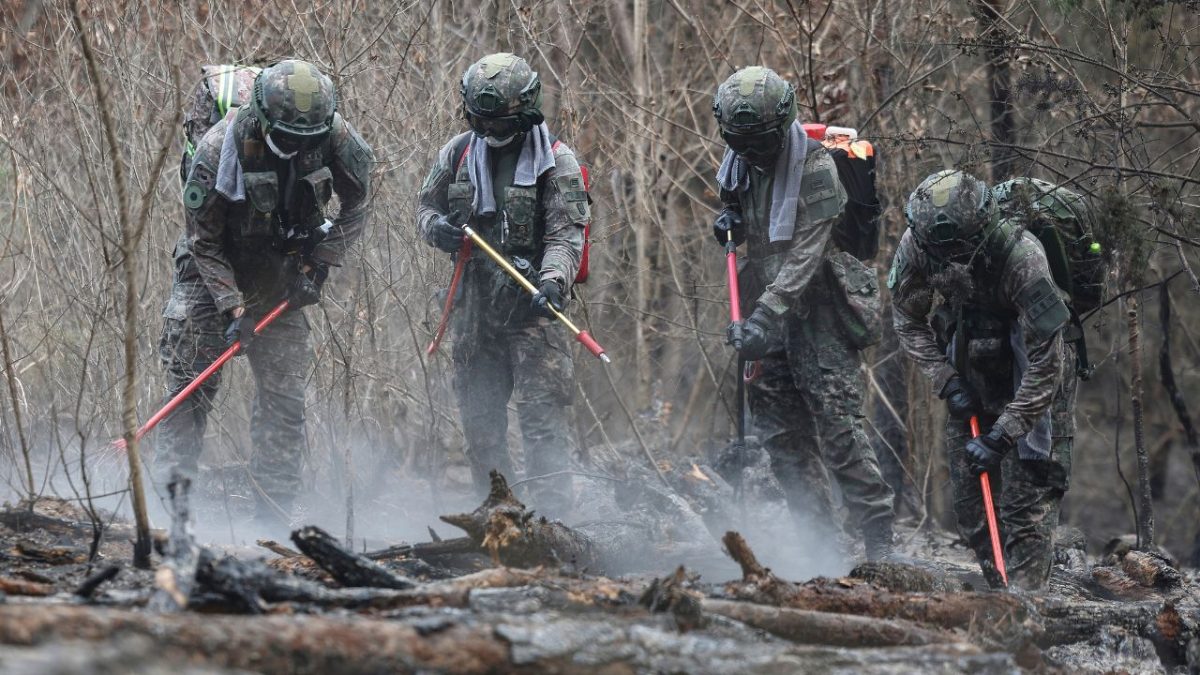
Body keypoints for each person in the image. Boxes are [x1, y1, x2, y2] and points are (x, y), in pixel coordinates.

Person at [157, 59, 373, 528]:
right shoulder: (217, 151)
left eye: (305, 140)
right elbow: (202, 241)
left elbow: (360, 198)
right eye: (287, 138)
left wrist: (321, 263)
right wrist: (232, 308)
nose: (296, 147)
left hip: (284, 272)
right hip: (210, 272)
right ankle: (170, 516)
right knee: (187, 393)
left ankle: (271, 518)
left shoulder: (334, 135)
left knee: (285, 401)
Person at [712, 66, 896, 561]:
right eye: (740, 141)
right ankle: (819, 545)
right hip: (765, 314)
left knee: (839, 431)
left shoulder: (816, 167)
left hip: (821, 312)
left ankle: (879, 541)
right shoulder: (738, 163)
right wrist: (728, 221)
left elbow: (806, 256)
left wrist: (763, 318)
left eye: (757, 141)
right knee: (783, 439)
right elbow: (746, 224)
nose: (749, 151)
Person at [416, 53, 589, 517]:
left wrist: (552, 280)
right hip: (473, 310)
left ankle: (554, 521)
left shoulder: (556, 159)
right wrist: (437, 229)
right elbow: (425, 207)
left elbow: (566, 234)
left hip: (534, 313)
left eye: (500, 121)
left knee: (542, 423)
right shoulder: (457, 152)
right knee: (481, 424)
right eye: (482, 120)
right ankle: (497, 517)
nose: (490, 130)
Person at [890, 169, 1076, 589]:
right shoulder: (917, 243)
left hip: (1033, 376)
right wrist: (947, 381)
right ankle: (1000, 599)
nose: (949, 259)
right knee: (973, 513)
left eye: (958, 251)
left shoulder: (1023, 259)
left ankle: (1027, 613)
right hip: (969, 367)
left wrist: (1003, 435)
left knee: (1024, 512)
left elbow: (1048, 363)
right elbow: (906, 319)